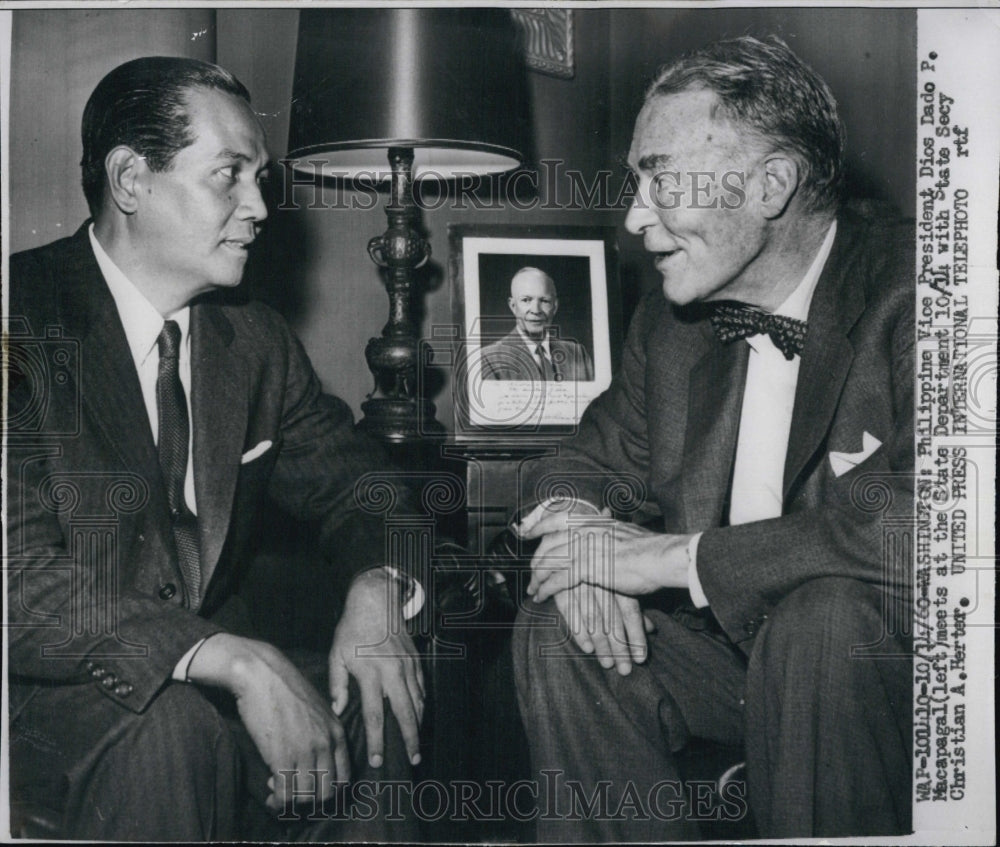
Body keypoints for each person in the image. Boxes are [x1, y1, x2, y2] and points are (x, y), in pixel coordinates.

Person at [6, 56, 424, 841]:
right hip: (45, 693)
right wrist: (225, 656)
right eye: (229, 174)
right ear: (131, 179)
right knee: (170, 733)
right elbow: (15, 577)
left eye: (259, 177)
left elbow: (361, 486)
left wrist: (378, 586)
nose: (260, 206)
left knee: (378, 705)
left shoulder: (253, 339)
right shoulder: (17, 317)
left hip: (210, 683)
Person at [511, 36, 913, 840]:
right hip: (734, 665)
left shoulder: (927, 281)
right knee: (561, 625)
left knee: (821, 618)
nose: (632, 217)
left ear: (771, 185)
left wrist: (668, 557)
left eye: (659, 177)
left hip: (889, 680)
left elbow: (934, 522)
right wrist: (586, 555)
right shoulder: (671, 322)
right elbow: (579, 461)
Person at [480, 266, 594, 381]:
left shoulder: (578, 354)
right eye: (526, 300)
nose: (536, 310)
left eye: (544, 301)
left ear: (555, 306)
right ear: (513, 306)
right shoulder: (488, 359)